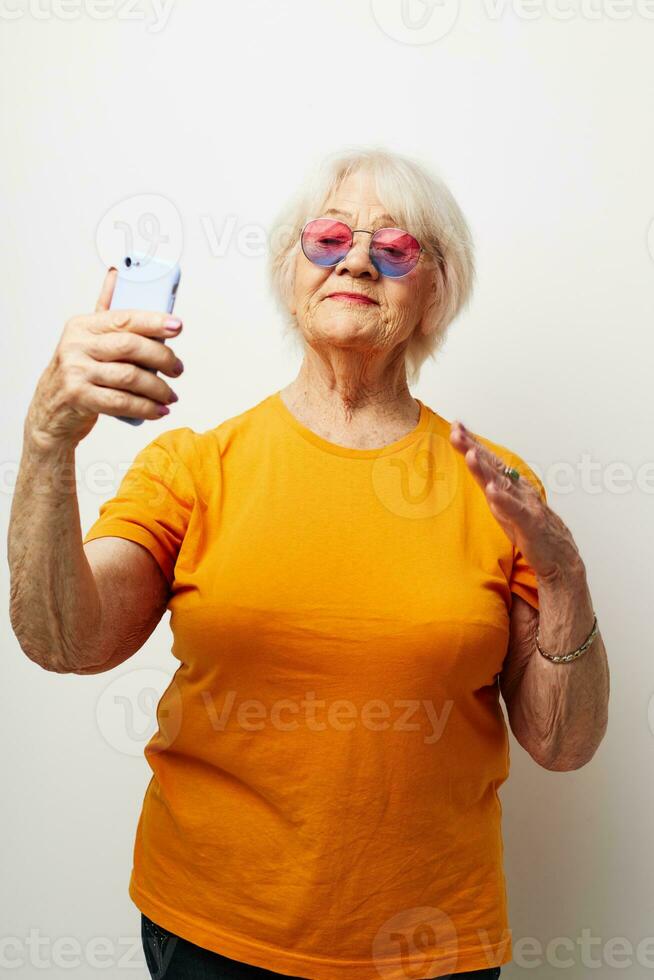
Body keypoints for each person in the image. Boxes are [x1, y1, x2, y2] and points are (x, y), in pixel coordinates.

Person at [9, 147, 609, 980]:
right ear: (293, 271)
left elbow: (565, 743)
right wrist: (47, 442)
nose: (356, 259)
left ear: (439, 288)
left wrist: (569, 580)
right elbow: (66, 642)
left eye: (395, 248)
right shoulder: (194, 468)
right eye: (328, 238)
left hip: (432, 949)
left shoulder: (497, 486)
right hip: (212, 935)